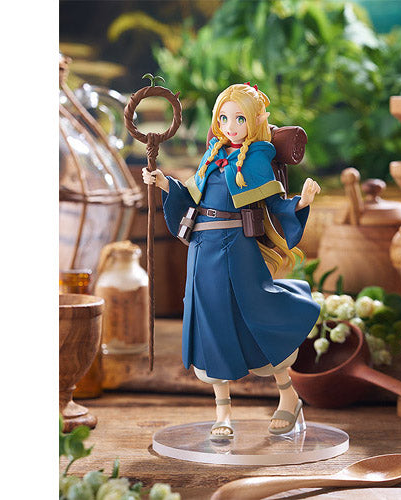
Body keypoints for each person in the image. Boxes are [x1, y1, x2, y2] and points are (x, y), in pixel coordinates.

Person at [142, 83, 321, 440]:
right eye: (224, 118)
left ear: (254, 120)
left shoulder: (257, 158)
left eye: (239, 118)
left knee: (254, 312)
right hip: (202, 249)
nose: (230, 125)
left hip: (238, 249)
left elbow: (275, 204)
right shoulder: (213, 154)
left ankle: (288, 396)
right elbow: (191, 195)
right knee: (209, 320)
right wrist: (164, 183)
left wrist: (301, 203)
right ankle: (222, 411)